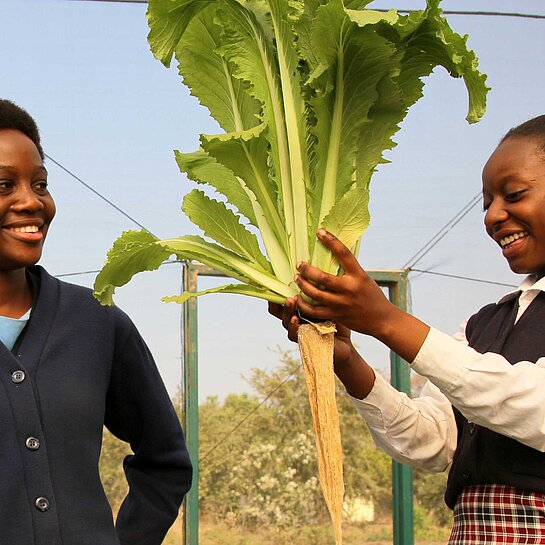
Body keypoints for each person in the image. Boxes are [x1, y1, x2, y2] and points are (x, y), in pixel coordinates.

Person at [270, 114, 545, 543]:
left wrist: (385, 320)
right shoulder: (484, 324)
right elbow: (431, 442)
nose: (493, 216)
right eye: (486, 203)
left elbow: (534, 407)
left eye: (513, 195)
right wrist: (346, 359)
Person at [0, 99, 192, 545]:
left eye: (41, 184)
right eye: (4, 184)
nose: (31, 201)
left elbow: (165, 460)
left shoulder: (98, 323)